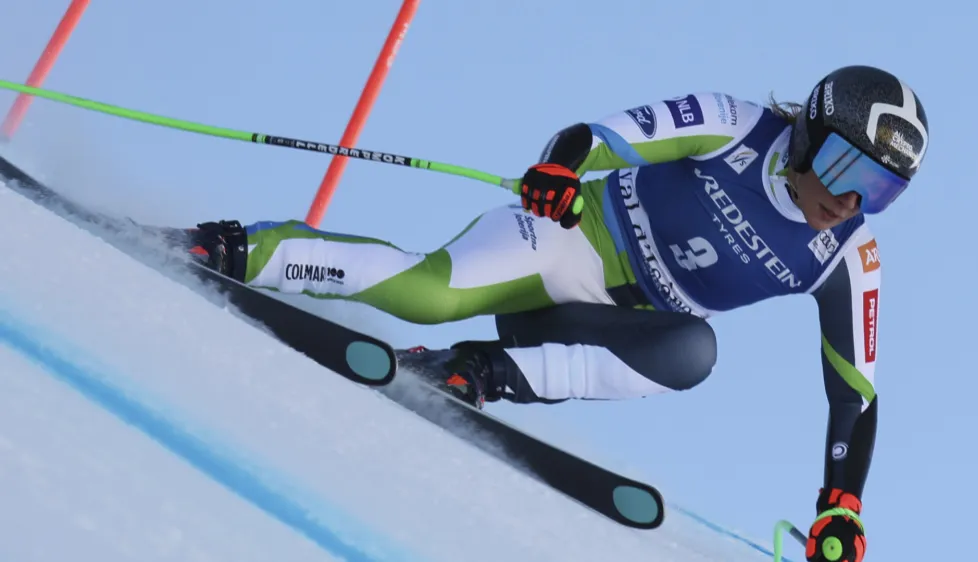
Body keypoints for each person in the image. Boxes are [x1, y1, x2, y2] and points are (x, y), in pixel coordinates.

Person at [181, 64, 928, 562]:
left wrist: (842, 504)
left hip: (606, 327)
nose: (850, 200)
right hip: (562, 243)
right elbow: (601, 137)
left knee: (693, 354)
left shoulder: (848, 257)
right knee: (426, 294)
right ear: (806, 136)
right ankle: (234, 249)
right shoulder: (736, 125)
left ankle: (471, 371)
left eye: (879, 192)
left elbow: (854, 397)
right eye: (843, 168)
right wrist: (559, 171)